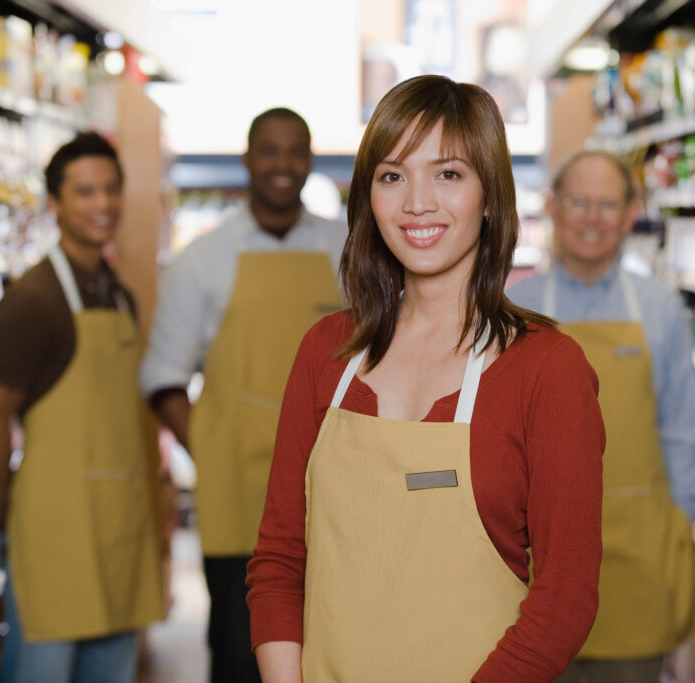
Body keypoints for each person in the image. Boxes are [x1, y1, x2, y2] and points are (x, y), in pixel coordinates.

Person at [247, 75, 606, 682]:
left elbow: (564, 600)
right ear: (369, 197)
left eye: (448, 174)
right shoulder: (325, 353)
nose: (417, 202)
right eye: (392, 175)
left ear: (490, 196)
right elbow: (281, 557)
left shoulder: (546, 369)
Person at [139, 107, 345, 682]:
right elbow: (163, 376)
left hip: (336, 497)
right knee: (239, 653)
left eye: (295, 151)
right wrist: (211, 447)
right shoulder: (202, 259)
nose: (282, 164)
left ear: (309, 161)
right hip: (240, 501)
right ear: (248, 159)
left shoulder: (348, 249)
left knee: (335, 652)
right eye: (270, 151)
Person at [507, 150, 695, 682]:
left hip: (638, 560)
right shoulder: (515, 313)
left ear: (629, 213)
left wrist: (675, 526)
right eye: (578, 202)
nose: (591, 218)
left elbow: (685, 432)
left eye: (606, 204)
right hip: (536, 565)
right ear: (552, 208)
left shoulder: (659, 309)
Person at [0, 132, 163, 683]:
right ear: (54, 203)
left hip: (118, 525)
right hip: (54, 532)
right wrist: (13, 513)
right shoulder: (29, 304)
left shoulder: (118, 293)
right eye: (84, 192)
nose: (102, 203)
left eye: (110, 189)